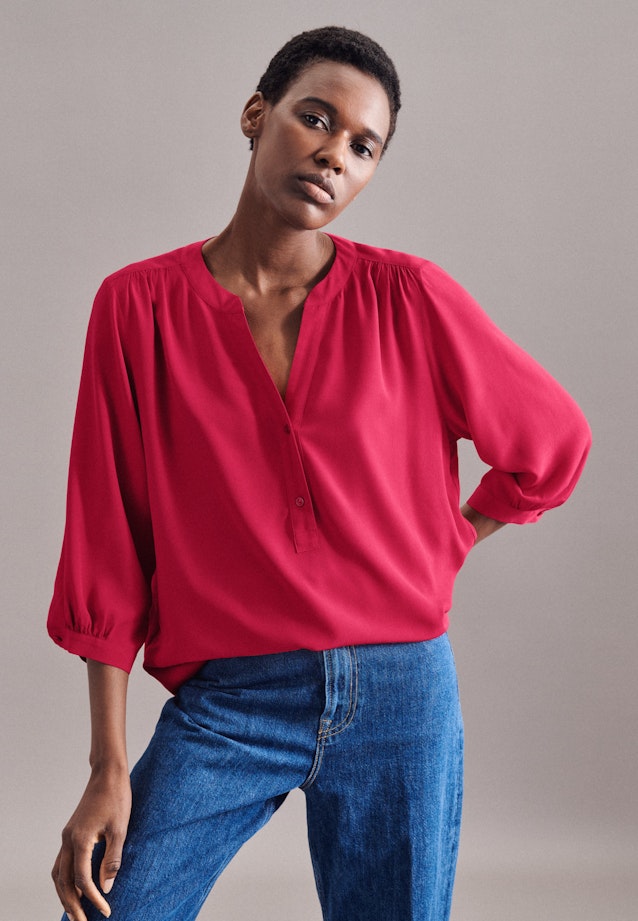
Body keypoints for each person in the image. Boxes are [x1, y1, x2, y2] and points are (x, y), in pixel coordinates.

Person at [47, 25, 591, 921]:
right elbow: (108, 541)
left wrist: (450, 537)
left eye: (364, 146)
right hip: (232, 697)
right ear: (255, 115)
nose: (335, 154)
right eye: (316, 118)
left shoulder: (408, 297)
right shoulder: (137, 307)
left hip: (400, 692)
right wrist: (108, 766)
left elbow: (553, 439)